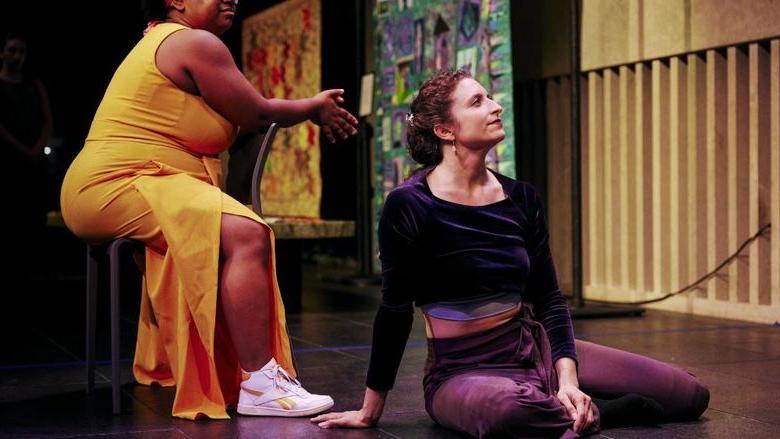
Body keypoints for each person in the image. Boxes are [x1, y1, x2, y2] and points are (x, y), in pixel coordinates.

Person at [311, 70, 709, 437]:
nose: (496, 105)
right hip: (461, 369)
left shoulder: (521, 198)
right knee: (506, 411)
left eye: (490, 97)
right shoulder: (410, 204)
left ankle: (562, 398)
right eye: (478, 101)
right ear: (445, 129)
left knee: (689, 394)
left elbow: (550, 299)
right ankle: (604, 412)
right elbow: (395, 310)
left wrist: (568, 379)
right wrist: (370, 410)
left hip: (532, 346)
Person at [60, 0, 358, 420]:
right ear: (176, 1)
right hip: (120, 182)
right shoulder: (192, 42)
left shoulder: (163, 40)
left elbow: (242, 120)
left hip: (119, 182)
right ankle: (260, 383)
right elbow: (255, 112)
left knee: (224, 234)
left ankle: (209, 369)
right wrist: (313, 107)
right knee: (247, 233)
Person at [0, 33, 52, 286]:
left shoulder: (34, 85)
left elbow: (47, 119)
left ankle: (31, 275)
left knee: (32, 217)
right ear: (2, 53)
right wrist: (21, 149)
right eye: (12, 50)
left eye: (21, 52)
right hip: (8, 163)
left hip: (32, 163)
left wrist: (38, 147)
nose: (17, 56)